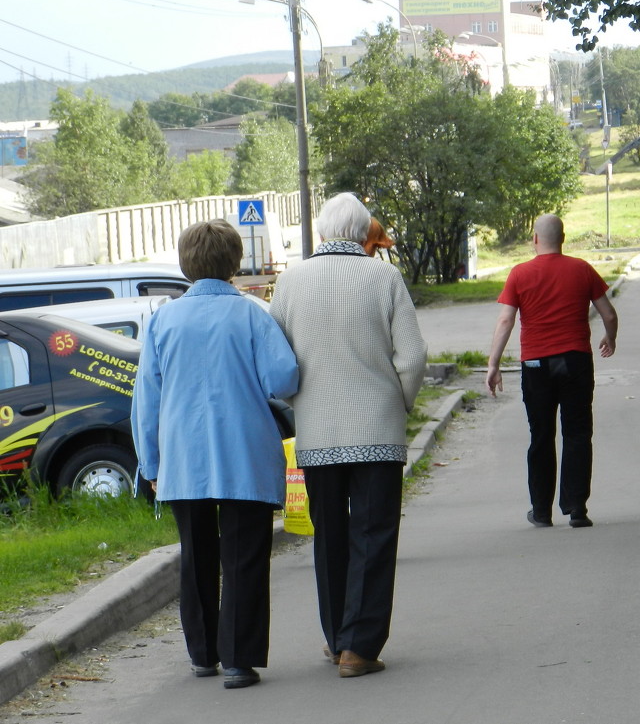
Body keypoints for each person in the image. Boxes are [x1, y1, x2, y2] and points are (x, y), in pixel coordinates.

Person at [131, 219, 299, 691]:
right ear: (234, 263)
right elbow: (283, 379)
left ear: (186, 264)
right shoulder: (251, 315)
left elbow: (147, 398)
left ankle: (202, 653)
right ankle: (239, 660)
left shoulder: (163, 320)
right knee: (245, 556)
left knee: (197, 555)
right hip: (244, 452)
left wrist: (151, 463)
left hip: (183, 458)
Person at [269, 193, 427, 679]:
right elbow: (413, 356)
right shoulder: (385, 276)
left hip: (316, 433)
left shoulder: (290, 281)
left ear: (320, 233)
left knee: (329, 535)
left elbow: (277, 360)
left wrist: (296, 404)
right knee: (375, 533)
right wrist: (399, 401)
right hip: (376, 427)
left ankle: (337, 635)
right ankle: (360, 646)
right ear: (364, 234)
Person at [485, 214, 618, 528]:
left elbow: (506, 321)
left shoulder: (519, 274)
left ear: (534, 239)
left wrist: (494, 364)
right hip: (575, 361)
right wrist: (609, 338)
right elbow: (609, 315)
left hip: (536, 365)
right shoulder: (582, 269)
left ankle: (541, 511)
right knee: (577, 432)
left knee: (541, 435)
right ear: (563, 238)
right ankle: (576, 508)